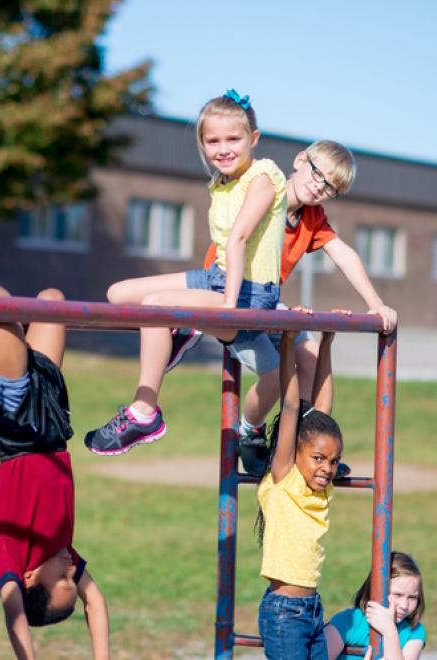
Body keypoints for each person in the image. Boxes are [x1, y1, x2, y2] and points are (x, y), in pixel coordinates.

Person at [167, 141, 397, 475]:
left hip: (269, 301)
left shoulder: (313, 217)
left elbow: (344, 254)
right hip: (230, 296)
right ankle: (251, 431)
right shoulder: (267, 193)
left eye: (331, 187)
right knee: (275, 374)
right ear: (300, 160)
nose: (320, 186)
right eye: (318, 174)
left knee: (311, 357)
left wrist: (375, 303)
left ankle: (303, 442)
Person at [87, 89, 288, 455]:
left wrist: (227, 305)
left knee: (155, 305)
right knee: (117, 293)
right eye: (213, 141)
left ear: (253, 139)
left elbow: (240, 236)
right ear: (202, 143)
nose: (223, 148)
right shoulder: (221, 184)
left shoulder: (263, 176)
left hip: (248, 294)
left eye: (233, 139)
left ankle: (145, 412)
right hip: (216, 278)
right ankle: (182, 326)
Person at [0, 284, 110, 658]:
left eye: (63, 579)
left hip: (15, 421)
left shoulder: (8, 553)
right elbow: (95, 602)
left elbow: (13, 613)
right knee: (51, 299)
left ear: (29, 578)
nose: (72, 571)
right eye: (72, 579)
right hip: (52, 419)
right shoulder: (63, 553)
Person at [255, 323, 342, 659]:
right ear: (295, 455)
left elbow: (322, 411)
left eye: (334, 462)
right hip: (284, 613)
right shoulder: (284, 480)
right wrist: (288, 342)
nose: (327, 468)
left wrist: (327, 342)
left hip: (312, 610)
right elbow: (291, 407)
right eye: (319, 459)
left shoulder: (317, 490)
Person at [324, 552, 427, 660]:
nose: (404, 605)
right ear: (375, 590)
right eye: (398, 595)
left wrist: (389, 631)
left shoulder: (414, 631)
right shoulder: (349, 622)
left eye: (412, 597)